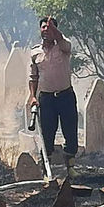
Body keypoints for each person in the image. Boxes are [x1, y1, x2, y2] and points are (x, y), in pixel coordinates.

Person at [28, 16, 78, 170]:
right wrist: (32, 96)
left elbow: (62, 40)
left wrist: (54, 31)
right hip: (47, 99)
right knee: (47, 135)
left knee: (70, 132)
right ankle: (46, 169)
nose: (45, 30)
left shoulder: (63, 47)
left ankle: (70, 168)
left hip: (65, 96)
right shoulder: (35, 52)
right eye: (43, 27)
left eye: (49, 28)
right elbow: (33, 77)